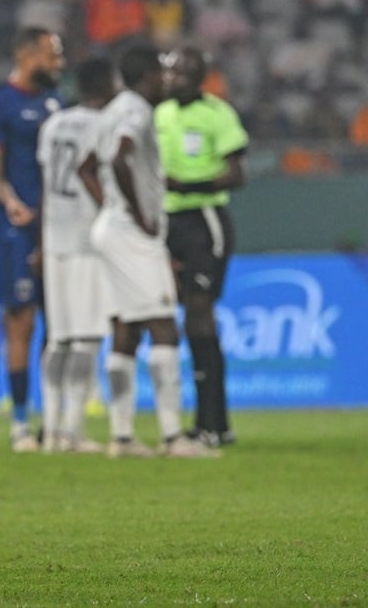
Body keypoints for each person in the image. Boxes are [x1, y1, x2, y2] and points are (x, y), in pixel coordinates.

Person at [80, 43, 218, 459]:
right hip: (129, 232)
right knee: (163, 325)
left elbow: (87, 164)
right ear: (147, 77)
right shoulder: (137, 110)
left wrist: (110, 206)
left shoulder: (111, 110)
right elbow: (119, 159)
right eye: (161, 72)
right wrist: (138, 214)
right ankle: (174, 437)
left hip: (110, 228)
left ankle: (122, 438)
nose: (166, 79)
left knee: (126, 328)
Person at [0, 26, 64, 452]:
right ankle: (20, 423)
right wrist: (12, 202)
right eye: (53, 56)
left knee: (58, 325)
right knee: (21, 323)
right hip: (15, 229)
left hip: (56, 226)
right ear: (28, 56)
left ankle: (56, 420)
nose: (59, 65)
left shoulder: (55, 104)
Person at [156, 47, 248, 447]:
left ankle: (212, 420)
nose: (171, 80)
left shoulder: (218, 114)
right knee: (175, 314)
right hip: (165, 221)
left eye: (180, 74)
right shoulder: (159, 115)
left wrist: (188, 186)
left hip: (204, 219)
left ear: (198, 78)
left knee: (199, 312)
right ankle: (205, 422)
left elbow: (236, 174)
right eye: (169, 73)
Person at [35, 56, 116, 454]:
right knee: (86, 339)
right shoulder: (104, 126)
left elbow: (44, 185)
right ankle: (73, 430)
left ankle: (50, 430)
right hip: (87, 240)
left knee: (58, 339)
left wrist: (39, 241)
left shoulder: (52, 126)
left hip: (54, 240)